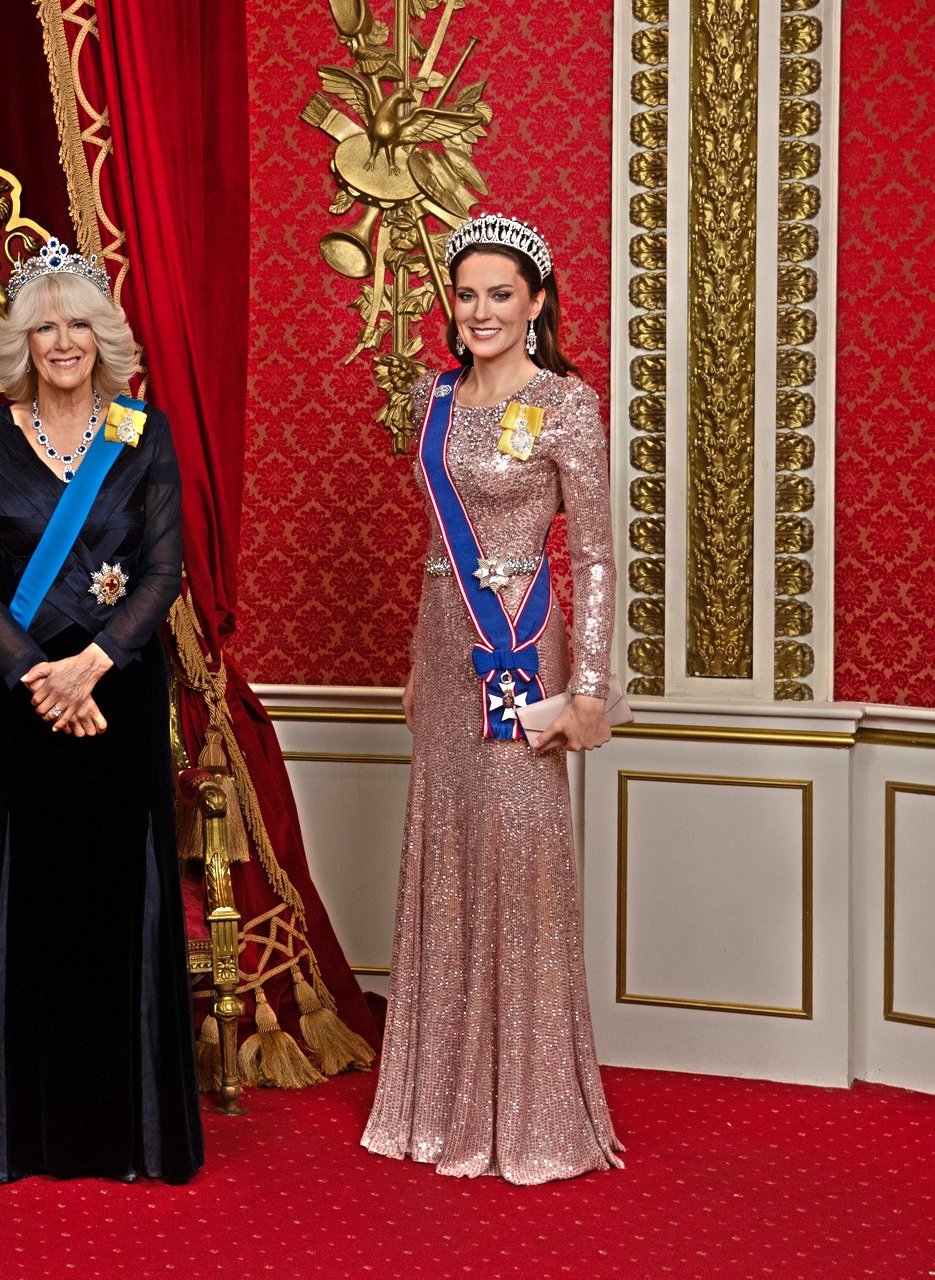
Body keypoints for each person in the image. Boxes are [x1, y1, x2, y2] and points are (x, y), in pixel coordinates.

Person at [0, 240, 204, 1184]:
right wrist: (41, 678)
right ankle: (16, 1130)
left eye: (79, 321)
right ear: (20, 342)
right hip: (24, 696)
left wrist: (91, 664)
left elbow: (165, 569)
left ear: (105, 336)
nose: (62, 341)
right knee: (26, 899)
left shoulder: (144, 431)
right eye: (43, 325)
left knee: (117, 898)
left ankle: (128, 1134)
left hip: (118, 690)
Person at [360, 213, 624, 1183]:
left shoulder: (565, 404)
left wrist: (586, 686)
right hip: (442, 650)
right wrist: (412, 663)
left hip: (519, 645)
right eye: (464, 294)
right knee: (447, 852)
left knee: (519, 859)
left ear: (536, 302)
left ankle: (531, 1106)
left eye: (498, 294)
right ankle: (438, 1095)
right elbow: (434, 554)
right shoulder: (436, 398)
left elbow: (593, 557)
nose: (477, 311)